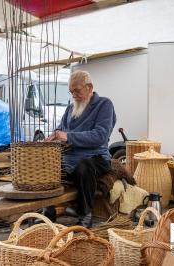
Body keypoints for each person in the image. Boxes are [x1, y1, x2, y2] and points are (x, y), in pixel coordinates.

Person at [45, 70, 116, 227]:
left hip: (96, 158)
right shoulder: (70, 109)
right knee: (48, 167)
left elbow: (100, 136)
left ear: (89, 87)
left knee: (85, 166)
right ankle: (48, 213)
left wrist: (67, 136)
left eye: (77, 90)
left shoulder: (104, 104)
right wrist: (52, 137)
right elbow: (61, 129)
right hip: (70, 159)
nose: (74, 95)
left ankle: (85, 214)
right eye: (71, 92)